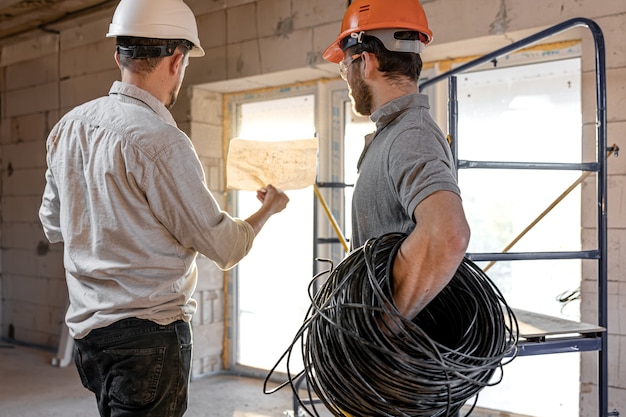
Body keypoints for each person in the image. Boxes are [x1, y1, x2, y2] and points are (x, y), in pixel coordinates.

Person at [38, 0, 289, 416]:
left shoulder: (68, 127)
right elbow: (225, 247)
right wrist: (267, 211)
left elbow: (52, 225)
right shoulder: (163, 142)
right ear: (177, 59)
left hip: (89, 336)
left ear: (118, 54)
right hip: (148, 338)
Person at [323, 0, 470, 321]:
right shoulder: (395, 132)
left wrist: (383, 327)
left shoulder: (410, 134)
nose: (346, 78)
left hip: (400, 359)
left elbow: (449, 235)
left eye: (345, 65)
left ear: (367, 62)